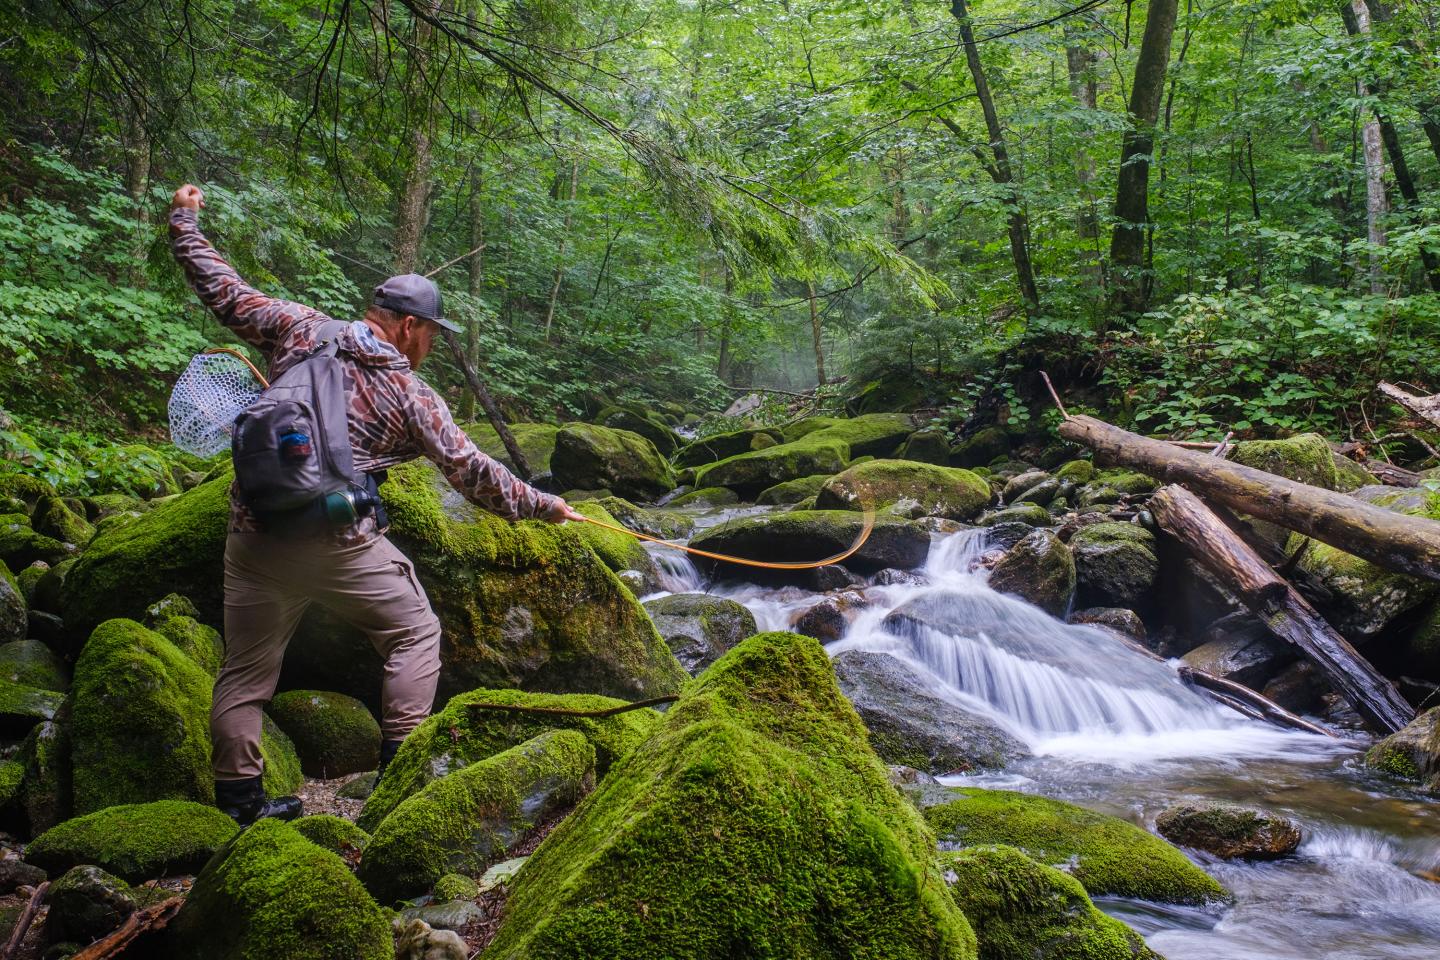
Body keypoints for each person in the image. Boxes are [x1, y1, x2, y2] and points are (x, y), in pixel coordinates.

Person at [168, 183, 584, 825]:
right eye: (431, 334)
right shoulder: (409, 393)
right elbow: (471, 472)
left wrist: (185, 220)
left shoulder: (299, 327)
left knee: (245, 671)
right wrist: (544, 506)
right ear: (409, 326)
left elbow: (220, 288)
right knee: (414, 632)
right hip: (337, 542)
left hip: (254, 532)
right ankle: (400, 774)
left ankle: (240, 805)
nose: (430, 346)